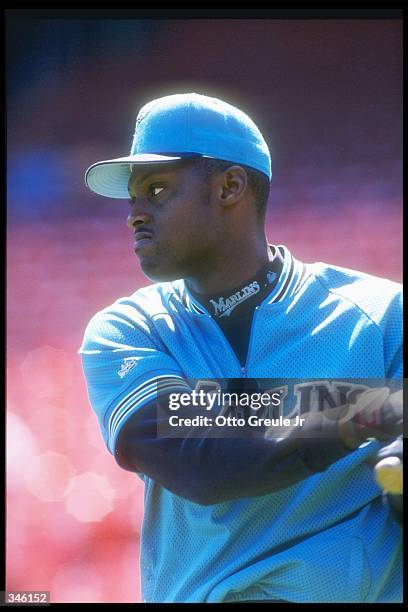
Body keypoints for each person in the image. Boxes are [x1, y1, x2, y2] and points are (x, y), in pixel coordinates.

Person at [79, 93, 403, 603]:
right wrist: (377, 406)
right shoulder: (127, 330)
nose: (134, 215)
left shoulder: (385, 316)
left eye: (157, 189)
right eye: (132, 199)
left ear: (231, 186)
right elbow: (199, 455)